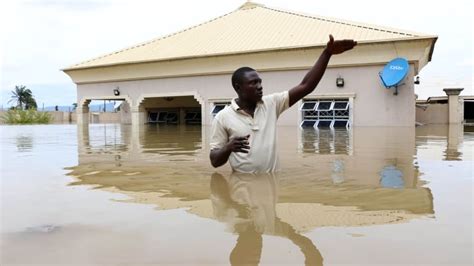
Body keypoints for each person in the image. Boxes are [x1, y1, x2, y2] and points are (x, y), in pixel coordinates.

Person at [210, 35, 357, 173]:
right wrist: (228, 148)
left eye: (260, 82)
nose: (259, 86)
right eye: (253, 83)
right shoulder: (223, 117)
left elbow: (306, 86)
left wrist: (327, 53)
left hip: (269, 189)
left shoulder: (271, 104)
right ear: (238, 87)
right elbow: (215, 161)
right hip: (241, 190)